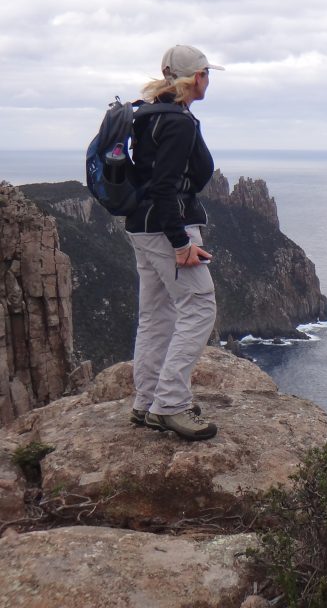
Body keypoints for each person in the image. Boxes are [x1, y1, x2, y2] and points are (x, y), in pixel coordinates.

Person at [125, 44, 223, 440]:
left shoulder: (148, 114)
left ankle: (146, 402)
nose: (208, 80)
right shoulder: (178, 122)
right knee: (200, 306)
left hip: (141, 226)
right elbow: (166, 186)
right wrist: (181, 242)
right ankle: (169, 404)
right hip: (167, 227)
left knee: (156, 314)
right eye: (206, 74)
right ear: (196, 77)